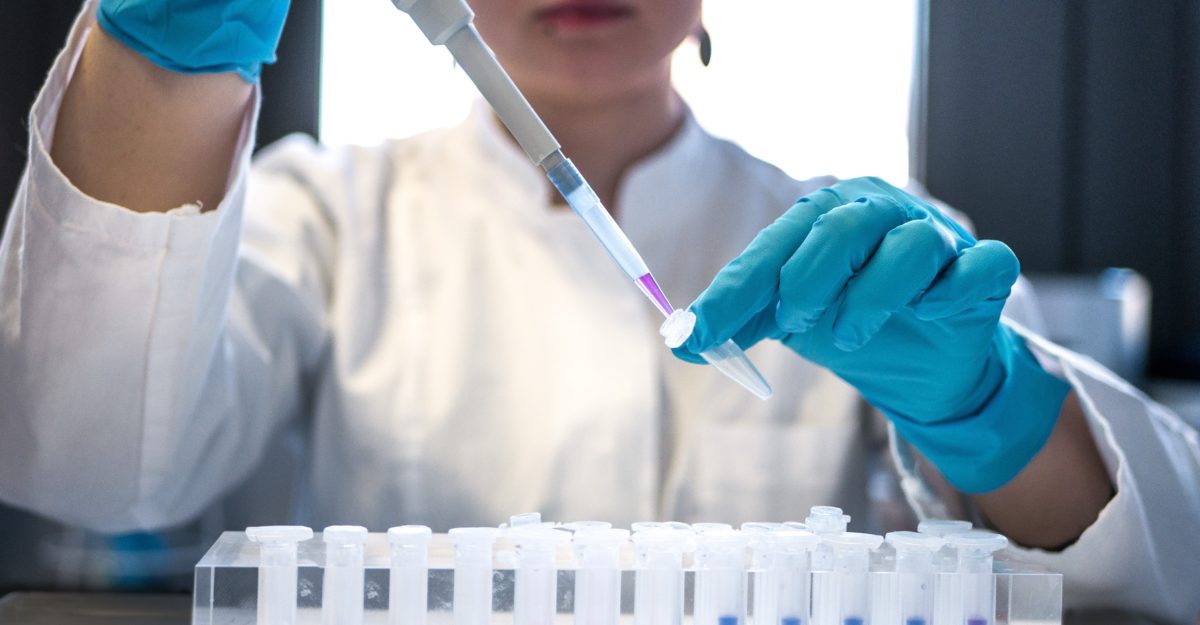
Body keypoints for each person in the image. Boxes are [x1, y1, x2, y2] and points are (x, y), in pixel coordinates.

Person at [0, 0, 1196, 621]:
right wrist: (164, 59)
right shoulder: (323, 215)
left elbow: (1158, 572)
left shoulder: (857, 247)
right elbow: (86, 463)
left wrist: (989, 412)